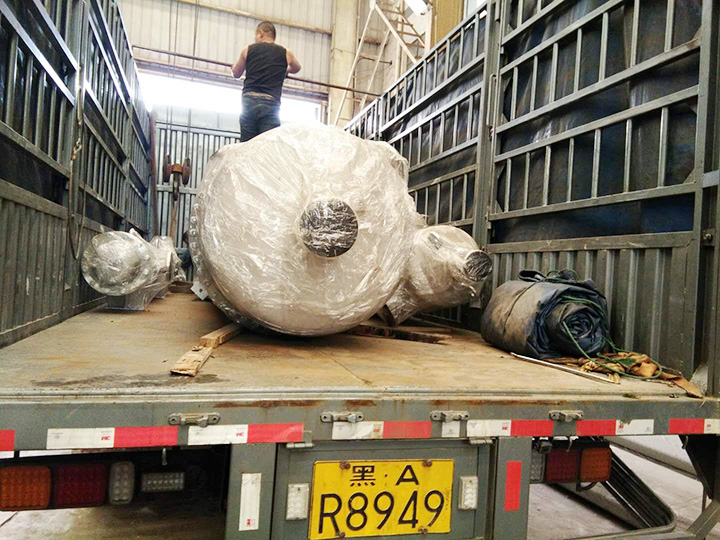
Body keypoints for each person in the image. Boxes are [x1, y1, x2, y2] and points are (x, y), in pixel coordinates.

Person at [232, 21, 302, 142]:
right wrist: (285, 71)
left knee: (247, 145)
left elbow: (236, 73)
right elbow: (297, 68)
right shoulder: (286, 53)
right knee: (267, 146)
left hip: (249, 101)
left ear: (260, 33)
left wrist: (233, 68)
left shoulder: (247, 50)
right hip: (271, 103)